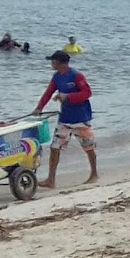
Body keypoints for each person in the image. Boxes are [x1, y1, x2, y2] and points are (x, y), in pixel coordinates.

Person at [35, 51, 98, 186]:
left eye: (53, 61)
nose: (51, 64)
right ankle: (51, 179)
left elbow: (87, 93)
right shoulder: (57, 76)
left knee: (88, 147)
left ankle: (94, 174)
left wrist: (68, 97)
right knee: (55, 147)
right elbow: (48, 93)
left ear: (60, 63)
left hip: (81, 118)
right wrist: (39, 108)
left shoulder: (76, 76)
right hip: (65, 118)